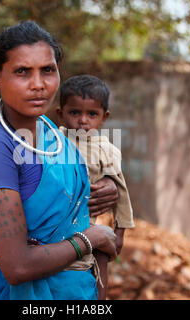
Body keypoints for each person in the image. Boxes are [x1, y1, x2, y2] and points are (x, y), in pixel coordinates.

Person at [0, 21, 120, 300]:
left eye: (48, 70)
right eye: (22, 72)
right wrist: (90, 239)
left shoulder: (50, 130)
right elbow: (18, 266)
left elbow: (76, 186)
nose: (38, 85)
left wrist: (108, 184)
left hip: (75, 291)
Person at [56, 74, 135, 299]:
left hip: (92, 223)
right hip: (58, 224)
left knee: (100, 257)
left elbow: (122, 195)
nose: (83, 120)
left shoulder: (106, 150)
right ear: (60, 114)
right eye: (74, 113)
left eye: (92, 114)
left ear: (104, 118)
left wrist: (120, 233)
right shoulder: (53, 142)